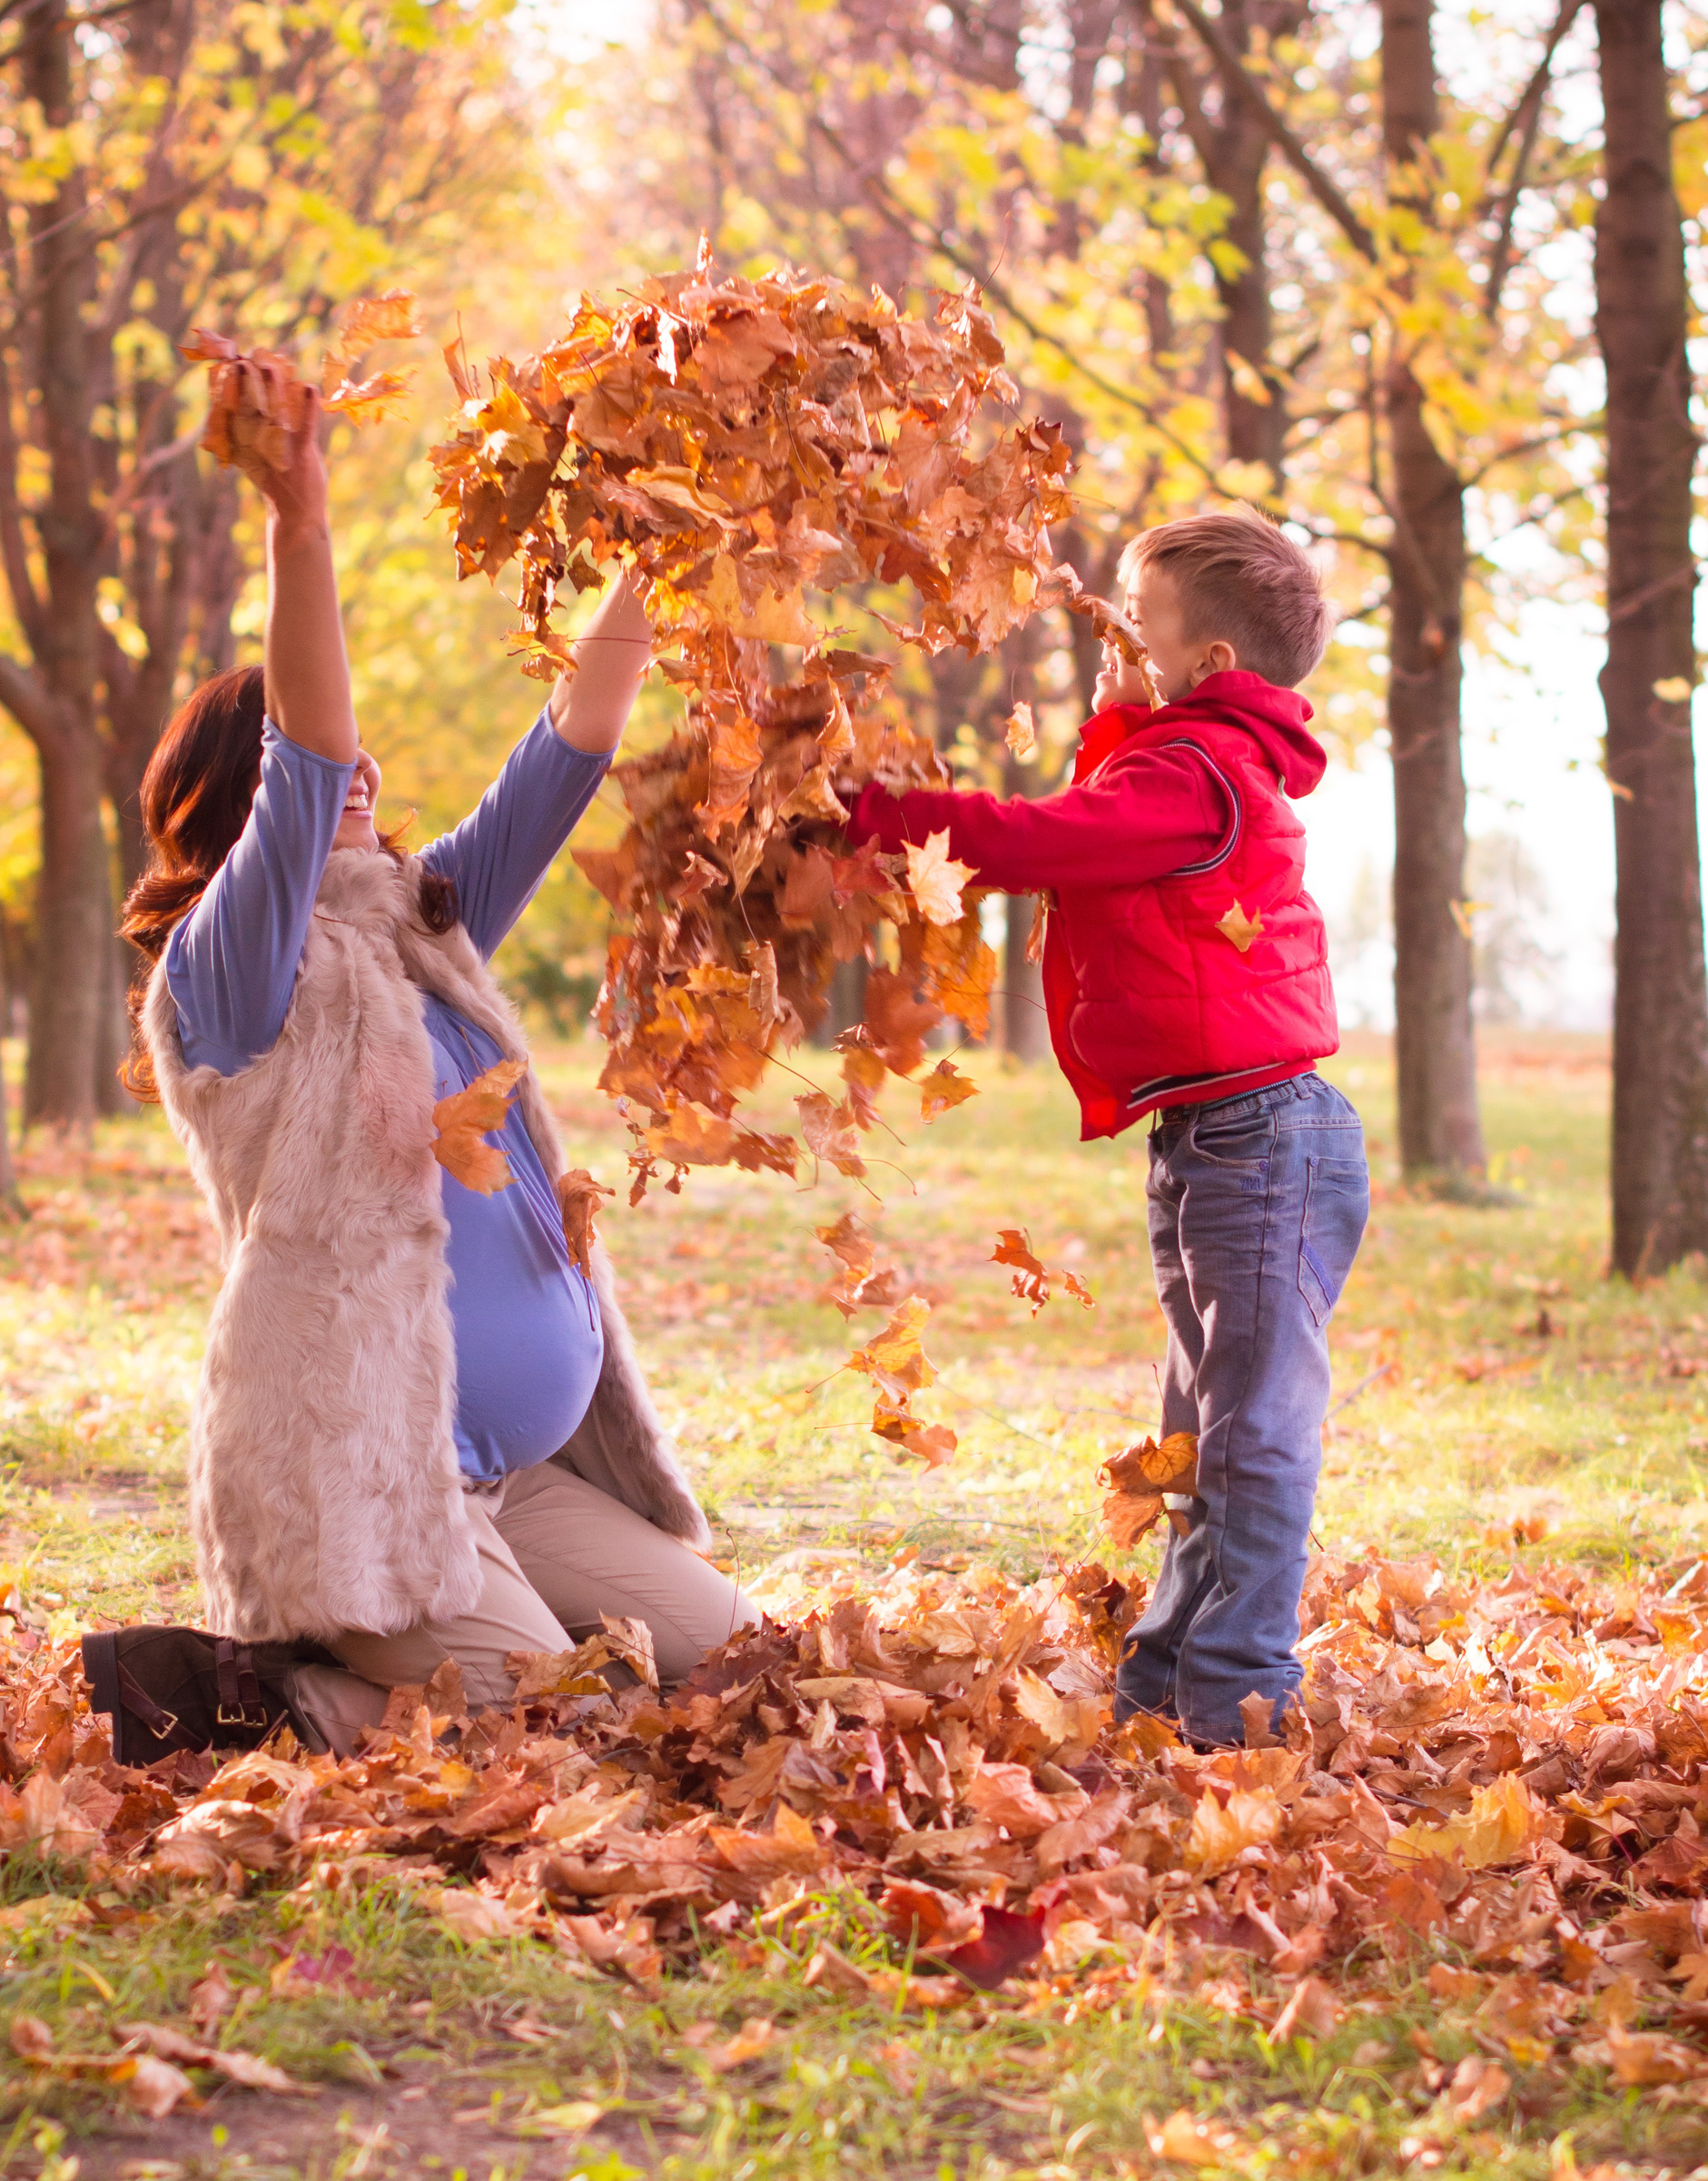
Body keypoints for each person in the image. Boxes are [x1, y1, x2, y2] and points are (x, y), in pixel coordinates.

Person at [120, 376, 751, 1750]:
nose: (362, 776)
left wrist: (664, 539)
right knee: (573, 1731)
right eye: (306, 765)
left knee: (738, 1670)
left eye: (366, 764)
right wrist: (302, 524)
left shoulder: (421, 925)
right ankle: (267, 1698)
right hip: (365, 1486)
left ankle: (431, 1651)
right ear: (239, 800)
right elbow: (311, 754)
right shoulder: (228, 979)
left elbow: (568, 746)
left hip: (515, 1479)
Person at [844, 509, 1367, 1748]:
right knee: (1199, 1438)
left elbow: (1050, 841)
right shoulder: (1177, 756)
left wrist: (884, 817)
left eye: (1135, 626)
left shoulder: (1195, 773)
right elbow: (1093, 812)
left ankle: (1231, 1705)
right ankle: (1165, 1682)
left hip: (1261, 1143)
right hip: (1211, 1141)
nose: (1108, 639)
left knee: (1251, 1436)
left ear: (1208, 669)